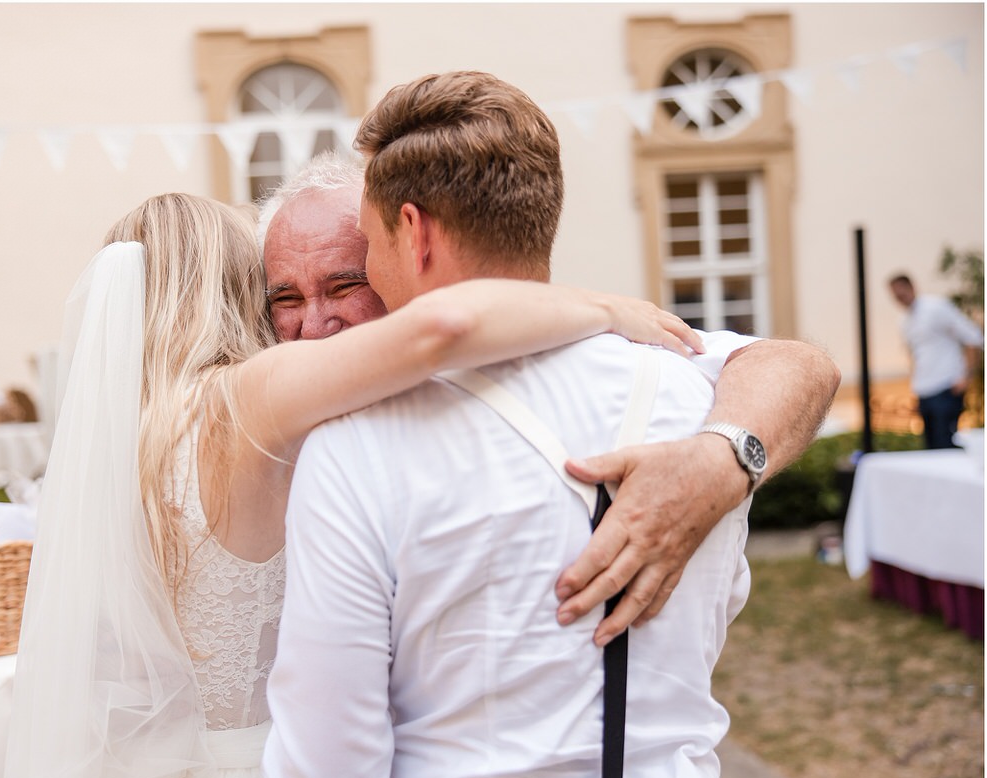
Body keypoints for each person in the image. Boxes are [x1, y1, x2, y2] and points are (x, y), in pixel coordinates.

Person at [1, 193, 703, 778]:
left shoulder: (122, 438)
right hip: (257, 776)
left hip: (157, 776)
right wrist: (601, 306)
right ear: (227, 290)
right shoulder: (237, 402)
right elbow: (441, 330)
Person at [261, 71, 840, 778]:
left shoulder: (356, 450)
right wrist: (727, 453)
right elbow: (805, 365)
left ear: (414, 233)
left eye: (369, 249)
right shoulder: (699, 396)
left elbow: (327, 777)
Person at [258, 151, 840, 643]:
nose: (314, 325)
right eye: (286, 299)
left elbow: (802, 365)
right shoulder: (256, 400)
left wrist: (720, 459)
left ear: (398, 256)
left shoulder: (519, 357)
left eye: (344, 285)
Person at [888, 273, 984, 449]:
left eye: (901, 294)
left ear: (912, 287)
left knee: (945, 446)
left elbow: (973, 338)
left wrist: (966, 377)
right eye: (896, 297)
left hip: (946, 386)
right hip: (924, 391)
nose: (900, 299)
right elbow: (915, 355)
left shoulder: (936, 307)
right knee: (931, 449)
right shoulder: (904, 320)